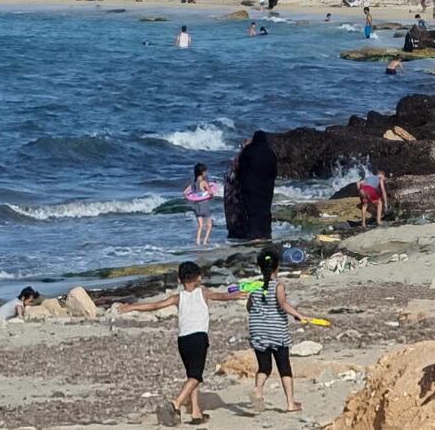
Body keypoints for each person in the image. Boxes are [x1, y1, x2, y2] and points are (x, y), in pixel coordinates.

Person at [118, 262, 246, 426]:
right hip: (199, 338)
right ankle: (176, 403)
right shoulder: (203, 292)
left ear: (180, 280)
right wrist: (238, 295)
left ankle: (195, 412)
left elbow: (155, 305)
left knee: (191, 375)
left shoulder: (178, 297)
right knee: (195, 376)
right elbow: (222, 296)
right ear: (199, 277)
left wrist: (132, 307)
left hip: (183, 340)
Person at [248, 248, 312, 414]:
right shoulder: (279, 286)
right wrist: (299, 315)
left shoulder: (254, 285)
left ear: (260, 267)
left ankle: (258, 390)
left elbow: (250, 306)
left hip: (258, 331)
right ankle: (290, 403)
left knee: (264, 367)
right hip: (276, 332)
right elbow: (283, 304)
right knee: (284, 367)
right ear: (277, 267)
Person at [233, 131, 277, 240]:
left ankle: (254, 235)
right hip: (266, 188)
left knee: (252, 210)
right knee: (265, 210)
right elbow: (274, 172)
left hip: (250, 186)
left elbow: (240, 166)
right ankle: (266, 234)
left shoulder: (249, 150)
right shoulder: (270, 153)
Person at [187, 163, 214, 247]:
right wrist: (211, 195)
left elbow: (185, 193)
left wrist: (190, 197)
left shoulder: (193, 182)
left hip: (196, 206)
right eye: (205, 171)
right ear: (202, 172)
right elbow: (210, 193)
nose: (206, 173)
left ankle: (197, 242)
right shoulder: (204, 182)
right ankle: (205, 241)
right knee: (209, 225)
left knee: (200, 225)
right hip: (204, 205)